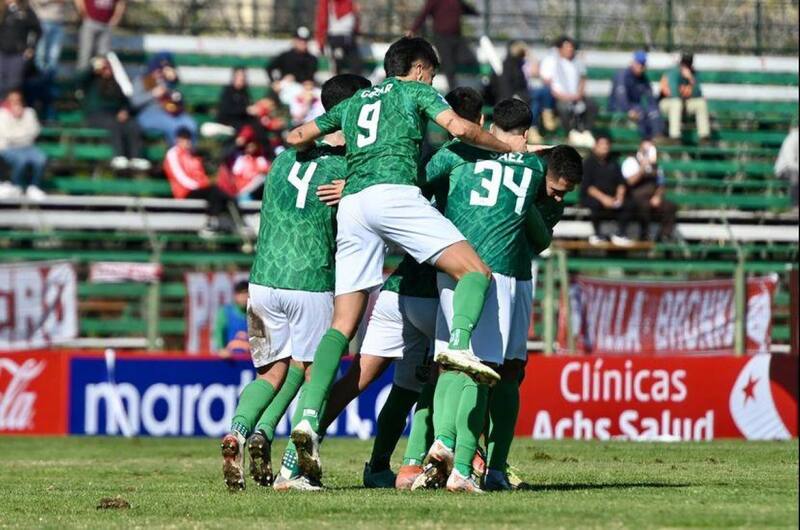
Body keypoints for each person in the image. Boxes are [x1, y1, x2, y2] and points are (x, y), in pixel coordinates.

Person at [277, 36, 527, 488]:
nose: (432, 80)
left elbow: (296, 136)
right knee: (476, 272)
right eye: (431, 73)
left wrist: (347, 168)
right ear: (416, 69)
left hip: (355, 205)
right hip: (395, 196)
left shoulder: (354, 102)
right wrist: (506, 149)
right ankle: (460, 347)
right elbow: (461, 129)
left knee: (342, 325)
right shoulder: (414, 91)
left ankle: (305, 432)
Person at [300, 87, 486, 491]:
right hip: (434, 293)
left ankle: (312, 440)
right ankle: (427, 461)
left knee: (361, 379)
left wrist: (352, 183)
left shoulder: (420, 159)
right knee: (446, 377)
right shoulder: (461, 158)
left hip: (395, 289)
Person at [410, 100, 581, 493]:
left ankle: (442, 445)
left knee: (452, 363)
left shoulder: (455, 153)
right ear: (525, 134)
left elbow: (415, 182)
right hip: (503, 273)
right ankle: (474, 467)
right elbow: (541, 235)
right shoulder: (534, 167)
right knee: (495, 371)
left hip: (453, 265)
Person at [219, 73, 370, 492]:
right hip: (311, 281)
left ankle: (242, 431)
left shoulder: (284, 158)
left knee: (271, 374)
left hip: (264, 281)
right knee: (311, 375)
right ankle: (294, 468)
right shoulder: (349, 168)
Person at [162, 127, 237, 235]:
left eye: (188, 139)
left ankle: (232, 222)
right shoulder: (173, 154)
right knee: (214, 191)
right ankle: (212, 223)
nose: (187, 142)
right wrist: (201, 184)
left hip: (198, 189)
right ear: (177, 140)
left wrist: (204, 183)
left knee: (223, 192)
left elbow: (200, 174)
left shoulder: (193, 155)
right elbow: (180, 177)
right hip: (185, 192)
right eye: (183, 139)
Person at [82, 56, 149, 171]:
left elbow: (126, 102)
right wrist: (93, 68)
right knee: (113, 124)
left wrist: (125, 111)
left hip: (115, 114)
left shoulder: (116, 83)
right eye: (104, 68)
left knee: (132, 124)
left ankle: (136, 157)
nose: (106, 70)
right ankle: (119, 156)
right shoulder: (91, 81)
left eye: (108, 67)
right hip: (96, 115)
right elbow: (79, 79)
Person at [538, 35, 597, 148]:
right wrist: (565, 97)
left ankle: (586, 131)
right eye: (567, 47)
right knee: (563, 108)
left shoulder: (577, 61)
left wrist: (579, 94)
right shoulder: (551, 61)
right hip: (558, 98)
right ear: (560, 48)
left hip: (576, 96)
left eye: (571, 47)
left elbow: (583, 78)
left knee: (592, 105)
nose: (570, 50)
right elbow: (548, 85)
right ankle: (570, 133)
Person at [408, 0, 479, 91]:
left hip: (457, 37)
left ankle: (441, 67)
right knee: (449, 66)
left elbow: (464, 7)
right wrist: (413, 30)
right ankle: (453, 92)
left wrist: (476, 13)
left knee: (468, 59)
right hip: (442, 37)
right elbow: (424, 14)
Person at [131, 52, 197, 145]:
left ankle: (189, 154)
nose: (159, 74)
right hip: (148, 114)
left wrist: (173, 82)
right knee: (174, 126)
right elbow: (134, 102)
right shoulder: (143, 80)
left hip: (170, 113)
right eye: (157, 71)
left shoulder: (166, 81)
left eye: (161, 71)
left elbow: (179, 99)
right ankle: (176, 155)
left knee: (190, 124)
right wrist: (153, 94)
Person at [580, 135, 635, 247]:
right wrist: (604, 199)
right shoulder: (588, 163)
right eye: (602, 144)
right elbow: (588, 187)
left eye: (607, 144)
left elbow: (621, 182)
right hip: (594, 197)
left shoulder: (614, 162)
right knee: (595, 204)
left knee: (629, 203)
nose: (605, 147)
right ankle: (597, 234)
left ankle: (621, 234)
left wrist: (619, 196)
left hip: (612, 197)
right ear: (595, 146)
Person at [620, 139, 677, 241]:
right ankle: (644, 235)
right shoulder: (631, 161)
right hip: (635, 198)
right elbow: (629, 182)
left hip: (652, 198)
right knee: (643, 206)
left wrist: (658, 196)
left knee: (670, 206)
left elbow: (661, 184)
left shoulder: (656, 166)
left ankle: (664, 236)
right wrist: (642, 168)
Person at [0, 89, 47, 200]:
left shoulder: (29, 112)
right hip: (8, 148)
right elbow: (7, 136)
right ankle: (17, 186)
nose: (15, 103)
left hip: (28, 147)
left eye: (18, 100)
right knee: (21, 160)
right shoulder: (2, 114)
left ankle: (34, 187)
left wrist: (20, 136)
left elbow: (35, 131)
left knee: (41, 159)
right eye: (12, 100)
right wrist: (24, 135)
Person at [609, 50, 663, 140]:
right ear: (632, 62)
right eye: (638, 63)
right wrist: (628, 110)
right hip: (617, 107)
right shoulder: (622, 75)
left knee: (653, 112)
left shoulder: (643, 78)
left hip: (635, 106)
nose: (640, 66)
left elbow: (650, 97)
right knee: (640, 113)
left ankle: (657, 139)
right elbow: (621, 97)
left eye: (643, 64)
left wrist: (655, 108)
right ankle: (644, 141)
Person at [659, 53, 710, 142]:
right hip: (666, 104)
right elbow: (674, 93)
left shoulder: (693, 74)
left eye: (688, 63)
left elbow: (698, 93)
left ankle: (704, 137)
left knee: (701, 103)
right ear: (681, 63)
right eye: (684, 63)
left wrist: (690, 78)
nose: (686, 66)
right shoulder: (673, 72)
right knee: (676, 102)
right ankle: (675, 137)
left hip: (684, 104)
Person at [217, 125, 270, 200]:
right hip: (244, 188)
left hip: (259, 187)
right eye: (249, 146)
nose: (251, 148)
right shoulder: (241, 159)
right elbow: (236, 176)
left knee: (263, 179)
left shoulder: (261, 160)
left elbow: (265, 172)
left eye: (253, 146)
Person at [0, 0, 40, 98]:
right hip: (2, 52)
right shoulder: (2, 10)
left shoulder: (25, 10)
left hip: (17, 54)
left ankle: (11, 108)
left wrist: (31, 47)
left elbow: (37, 30)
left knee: (13, 84)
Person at [74, 0, 125, 71]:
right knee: (85, 55)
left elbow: (120, 3)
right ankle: (81, 79)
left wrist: (116, 18)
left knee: (102, 58)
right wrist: (83, 14)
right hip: (90, 22)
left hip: (106, 25)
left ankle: (98, 80)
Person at [315, 0, 362, 75]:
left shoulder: (351, 4)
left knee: (356, 65)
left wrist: (356, 14)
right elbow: (322, 20)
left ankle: (355, 84)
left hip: (349, 38)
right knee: (337, 64)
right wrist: (321, 42)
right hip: (335, 38)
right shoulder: (328, 3)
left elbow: (355, 23)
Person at [213, 280, 250, 358]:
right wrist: (221, 349)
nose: (243, 297)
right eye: (240, 293)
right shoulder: (226, 312)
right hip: (230, 360)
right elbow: (218, 333)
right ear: (235, 296)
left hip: (251, 360)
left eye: (246, 293)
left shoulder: (257, 313)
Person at [216, 66, 253, 133]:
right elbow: (226, 110)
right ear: (234, 77)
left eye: (243, 76)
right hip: (228, 121)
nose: (242, 78)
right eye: (239, 75)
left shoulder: (245, 92)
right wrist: (245, 110)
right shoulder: (228, 91)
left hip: (241, 120)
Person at [31, 0, 64, 74]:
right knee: (40, 54)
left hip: (58, 22)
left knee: (54, 56)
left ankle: (49, 80)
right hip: (42, 21)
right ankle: (40, 79)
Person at [775, 127, 798, 209]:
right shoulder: (792, 139)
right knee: (795, 174)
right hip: (783, 170)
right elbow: (790, 162)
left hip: (794, 169)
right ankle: (795, 205)